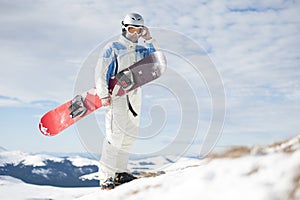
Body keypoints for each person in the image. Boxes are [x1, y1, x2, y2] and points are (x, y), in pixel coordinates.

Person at [95, 13, 158, 190]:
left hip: (135, 95)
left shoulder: (140, 49)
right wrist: (103, 95)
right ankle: (106, 177)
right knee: (115, 136)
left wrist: (149, 39)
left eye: (139, 30)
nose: (135, 34)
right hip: (116, 96)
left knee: (129, 136)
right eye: (132, 29)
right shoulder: (113, 47)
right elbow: (101, 72)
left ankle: (120, 173)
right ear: (124, 28)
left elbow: (157, 61)